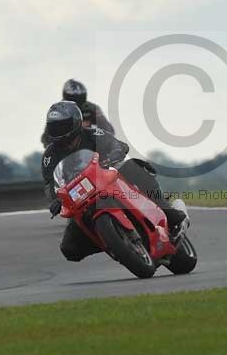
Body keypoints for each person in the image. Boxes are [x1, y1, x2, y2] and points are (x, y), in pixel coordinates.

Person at [40, 101, 188, 262]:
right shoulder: (50, 155)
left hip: (107, 178)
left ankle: (167, 210)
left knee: (133, 166)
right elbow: (49, 183)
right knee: (69, 249)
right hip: (81, 198)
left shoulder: (92, 134)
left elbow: (118, 146)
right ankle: (111, 241)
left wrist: (113, 156)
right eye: (54, 126)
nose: (58, 130)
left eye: (62, 125)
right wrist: (55, 200)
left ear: (75, 122)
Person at [41, 79, 113, 147]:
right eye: (74, 98)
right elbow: (46, 137)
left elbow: (109, 130)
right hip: (65, 151)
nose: (77, 102)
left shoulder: (92, 109)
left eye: (79, 98)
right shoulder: (58, 110)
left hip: (89, 149)